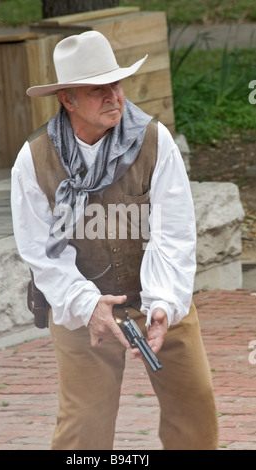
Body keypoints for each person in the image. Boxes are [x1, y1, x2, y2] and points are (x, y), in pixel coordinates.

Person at [11, 31, 218, 450]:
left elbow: (174, 237)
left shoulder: (157, 144)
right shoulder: (33, 161)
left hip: (157, 295)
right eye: (96, 89)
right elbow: (41, 253)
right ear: (67, 99)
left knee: (195, 415)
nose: (113, 97)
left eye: (116, 85)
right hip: (79, 303)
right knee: (81, 432)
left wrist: (162, 305)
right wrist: (88, 307)